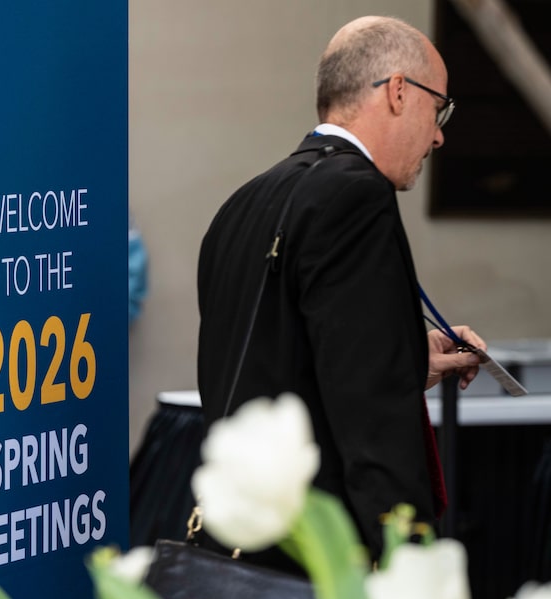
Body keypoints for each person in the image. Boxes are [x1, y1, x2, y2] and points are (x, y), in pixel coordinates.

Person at [196, 15, 486, 563]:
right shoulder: (358, 198)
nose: (440, 134)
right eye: (438, 108)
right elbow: (371, 418)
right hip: (319, 564)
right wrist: (406, 563)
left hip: (239, 548)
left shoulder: (242, 204)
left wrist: (403, 359)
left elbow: (279, 363)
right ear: (400, 92)